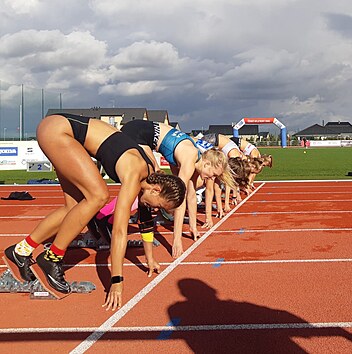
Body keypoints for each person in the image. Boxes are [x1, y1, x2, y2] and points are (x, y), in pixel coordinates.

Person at [2, 113, 186, 309]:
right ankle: (52, 258)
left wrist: (150, 258)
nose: (154, 209)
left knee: (75, 208)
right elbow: (119, 231)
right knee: (98, 196)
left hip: (58, 130)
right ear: (156, 189)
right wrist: (117, 282)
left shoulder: (149, 175)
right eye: (158, 206)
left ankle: (21, 250)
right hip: (59, 131)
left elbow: (145, 222)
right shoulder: (135, 173)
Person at [120, 120, 236, 258]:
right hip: (136, 132)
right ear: (207, 163)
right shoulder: (190, 157)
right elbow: (179, 199)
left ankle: (141, 226)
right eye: (214, 175)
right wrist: (176, 240)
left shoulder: (195, 162)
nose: (211, 179)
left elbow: (191, 196)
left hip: (145, 134)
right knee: (149, 180)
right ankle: (116, 220)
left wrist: (193, 225)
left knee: (156, 179)